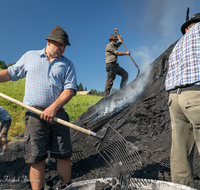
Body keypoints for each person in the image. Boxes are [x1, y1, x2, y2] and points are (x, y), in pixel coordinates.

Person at [0, 25, 77, 190]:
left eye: (65, 46)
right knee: (37, 158)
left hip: (58, 115)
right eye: (59, 45)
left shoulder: (67, 64)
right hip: (34, 116)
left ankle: (66, 186)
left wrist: (54, 108)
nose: (63, 49)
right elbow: (10, 73)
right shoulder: (30, 56)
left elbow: (70, 90)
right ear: (48, 42)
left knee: (64, 155)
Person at [165, 12, 200, 187]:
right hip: (196, 95)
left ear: (187, 28)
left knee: (180, 154)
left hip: (174, 99)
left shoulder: (177, 45)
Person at [104, 28, 130, 97]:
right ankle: (106, 96)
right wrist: (126, 53)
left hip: (115, 66)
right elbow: (117, 53)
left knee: (125, 74)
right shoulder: (109, 46)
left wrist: (117, 33)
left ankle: (122, 90)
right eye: (114, 40)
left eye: (116, 40)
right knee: (110, 81)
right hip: (110, 65)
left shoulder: (114, 46)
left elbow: (121, 40)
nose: (116, 41)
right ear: (111, 40)